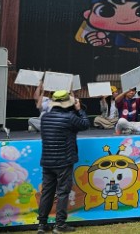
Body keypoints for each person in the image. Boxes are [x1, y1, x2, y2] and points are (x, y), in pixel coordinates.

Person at [37, 90, 89, 234]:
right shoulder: (70, 117)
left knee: (47, 192)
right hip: (64, 161)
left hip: (47, 161)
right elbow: (85, 124)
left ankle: (42, 224)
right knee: (62, 193)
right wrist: (79, 110)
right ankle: (59, 225)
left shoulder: (45, 117)